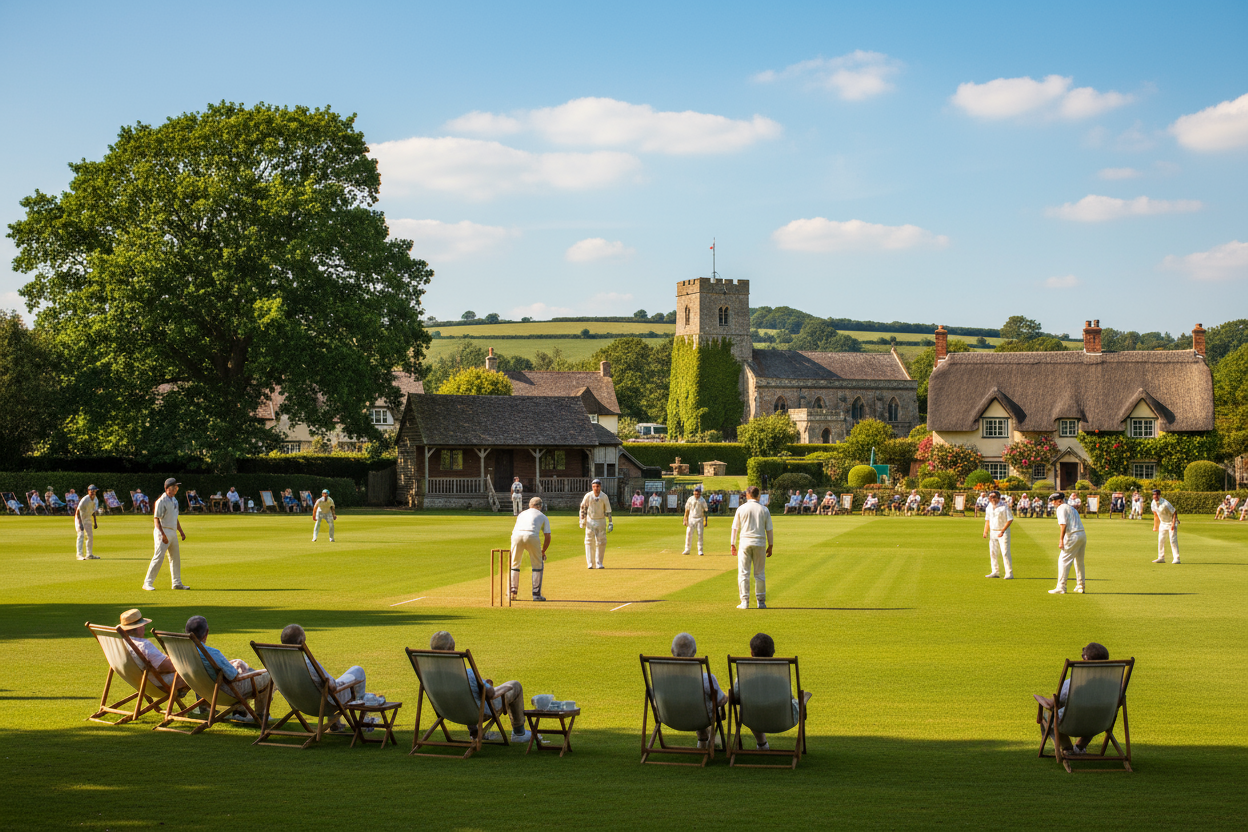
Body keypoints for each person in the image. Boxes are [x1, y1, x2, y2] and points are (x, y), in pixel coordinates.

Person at [429, 630, 530, 743]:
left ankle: (474, 732)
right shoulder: (467, 675)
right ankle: (519, 733)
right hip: (477, 712)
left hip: (447, 711)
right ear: (452, 649)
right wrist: (489, 685)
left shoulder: (428, 676)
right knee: (515, 685)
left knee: (469, 695)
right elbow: (491, 694)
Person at [1035, 642, 1111, 755]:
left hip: (1073, 724)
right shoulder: (1114, 684)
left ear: (1085, 658)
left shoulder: (1074, 683)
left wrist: (1041, 699)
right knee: (1094, 712)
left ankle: (1067, 749)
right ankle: (1080, 747)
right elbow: (1118, 702)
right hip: (1101, 723)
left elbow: (1055, 703)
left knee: (1049, 715)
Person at [280, 623, 366, 716]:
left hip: (299, 703)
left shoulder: (279, 665)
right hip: (324, 705)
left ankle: (336, 723)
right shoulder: (309, 664)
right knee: (358, 671)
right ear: (302, 641)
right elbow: (332, 686)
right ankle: (362, 719)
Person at [735, 633, 801, 751]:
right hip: (783, 719)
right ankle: (763, 745)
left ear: (751, 652)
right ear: (773, 651)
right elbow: (789, 697)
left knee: (751, 705)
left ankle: (762, 744)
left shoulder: (744, 675)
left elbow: (735, 697)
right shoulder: (781, 673)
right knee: (798, 701)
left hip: (752, 718)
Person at [185, 615, 270, 702]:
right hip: (225, 691)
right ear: (206, 632)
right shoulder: (212, 653)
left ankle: (240, 711)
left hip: (202, 690)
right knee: (269, 675)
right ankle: (260, 713)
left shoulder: (183, 652)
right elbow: (233, 676)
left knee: (243, 667)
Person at [670, 632, 727, 750]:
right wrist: (729, 696)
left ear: (672, 651)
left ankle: (702, 739)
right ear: (694, 652)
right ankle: (704, 738)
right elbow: (721, 701)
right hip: (700, 719)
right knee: (705, 706)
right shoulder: (706, 679)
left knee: (693, 704)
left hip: (670, 718)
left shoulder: (662, 679)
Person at [117, 608, 181, 691]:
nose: (144, 628)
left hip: (140, 682)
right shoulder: (143, 645)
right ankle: (202, 703)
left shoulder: (122, 644)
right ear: (139, 627)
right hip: (158, 683)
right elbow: (169, 666)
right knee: (196, 673)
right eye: (143, 625)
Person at [731, 486, 774, 610]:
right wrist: (770, 545)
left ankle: (745, 602)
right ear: (758, 495)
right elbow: (769, 529)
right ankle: (761, 601)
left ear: (748, 495)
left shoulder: (741, 508)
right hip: (760, 543)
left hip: (745, 543)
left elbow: (735, 528)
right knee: (759, 573)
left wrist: (732, 543)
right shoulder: (764, 509)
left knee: (744, 573)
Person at [143, 478, 188, 591]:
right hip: (162, 531)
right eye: (174, 488)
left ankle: (176, 582)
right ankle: (147, 583)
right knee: (158, 557)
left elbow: (175, 518)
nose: (176, 490)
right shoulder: (161, 501)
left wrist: (181, 531)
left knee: (175, 558)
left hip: (172, 531)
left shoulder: (174, 500)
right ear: (167, 488)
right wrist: (163, 534)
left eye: (176, 488)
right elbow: (156, 520)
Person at [510, 496, 551, 601]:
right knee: (537, 564)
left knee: (514, 564)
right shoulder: (543, 516)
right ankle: (536, 594)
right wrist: (543, 551)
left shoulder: (521, 514)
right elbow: (547, 536)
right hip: (531, 535)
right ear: (539, 506)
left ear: (530, 505)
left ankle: (512, 592)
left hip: (516, 536)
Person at [1048, 492, 1086, 595]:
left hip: (1072, 535)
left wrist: (1061, 539)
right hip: (1082, 534)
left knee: (1063, 560)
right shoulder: (1071, 508)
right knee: (1079, 562)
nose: (1053, 503)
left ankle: (1061, 587)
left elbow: (1063, 525)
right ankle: (1080, 585)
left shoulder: (1061, 508)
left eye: (1054, 501)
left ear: (1059, 501)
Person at [579, 478, 612, 569]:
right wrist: (582, 520)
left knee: (601, 542)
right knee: (589, 541)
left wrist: (610, 522)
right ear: (592, 487)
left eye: (597, 486)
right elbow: (583, 508)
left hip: (601, 520)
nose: (596, 488)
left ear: (600, 487)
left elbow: (608, 510)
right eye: (594, 487)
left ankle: (599, 563)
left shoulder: (604, 496)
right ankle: (590, 563)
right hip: (591, 520)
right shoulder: (588, 496)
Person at [982, 490, 1014, 579]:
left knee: (1005, 552)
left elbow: (1010, 519)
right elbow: (987, 519)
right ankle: (995, 571)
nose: (992, 499)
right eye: (990, 497)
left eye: (994, 497)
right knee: (993, 553)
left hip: (1003, 531)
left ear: (998, 498)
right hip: (993, 531)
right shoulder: (989, 506)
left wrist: (1003, 531)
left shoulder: (1004, 506)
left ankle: (1009, 573)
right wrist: (985, 531)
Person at [1150, 488, 1180, 564]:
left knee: (1172, 540)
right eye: (1154, 494)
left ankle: (1177, 558)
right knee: (1161, 540)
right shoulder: (1153, 503)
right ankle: (1161, 557)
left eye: (1157, 494)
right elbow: (1155, 515)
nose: (1155, 496)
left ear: (1159, 495)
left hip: (1171, 523)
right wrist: (1155, 526)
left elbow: (1174, 512)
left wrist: (1173, 524)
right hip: (1163, 523)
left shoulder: (1165, 503)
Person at [682, 484, 710, 556]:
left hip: (699, 519)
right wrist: (685, 519)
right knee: (688, 534)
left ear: (700, 493)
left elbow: (705, 511)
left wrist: (705, 520)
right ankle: (687, 549)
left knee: (700, 534)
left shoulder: (702, 500)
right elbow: (687, 510)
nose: (696, 495)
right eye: (695, 493)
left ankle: (700, 550)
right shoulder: (690, 499)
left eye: (698, 494)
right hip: (691, 518)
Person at [75, 484, 100, 561]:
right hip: (80, 518)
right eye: (91, 491)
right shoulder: (84, 500)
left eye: (94, 491)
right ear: (88, 491)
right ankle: (79, 555)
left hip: (88, 519)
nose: (93, 493)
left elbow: (93, 511)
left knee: (90, 536)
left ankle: (89, 554)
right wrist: (80, 523)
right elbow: (78, 512)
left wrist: (95, 522)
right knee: (81, 535)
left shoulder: (95, 499)